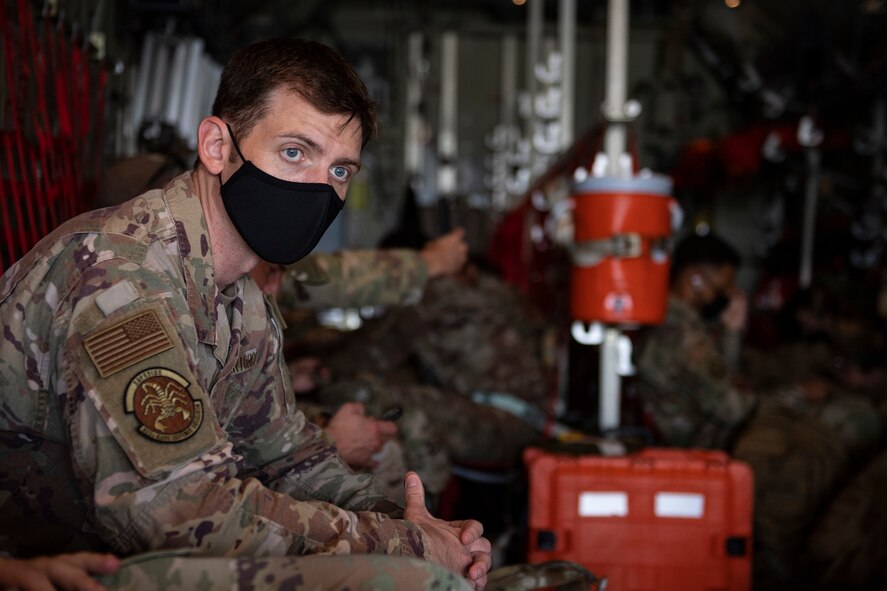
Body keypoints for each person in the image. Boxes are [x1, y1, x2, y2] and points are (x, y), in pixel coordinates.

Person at [0, 37, 490, 590]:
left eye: (339, 171)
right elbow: (173, 515)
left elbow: (288, 457)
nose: (318, 189)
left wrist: (417, 527)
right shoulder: (123, 275)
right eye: (294, 152)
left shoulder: (241, 294)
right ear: (216, 146)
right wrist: (404, 548)